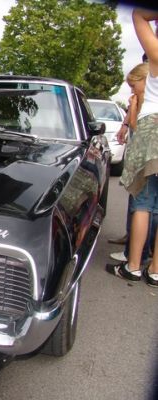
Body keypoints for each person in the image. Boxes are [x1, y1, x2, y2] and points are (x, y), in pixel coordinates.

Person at [107, 8, 158, 288]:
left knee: (143, 202)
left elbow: (138, 14)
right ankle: (156, 271)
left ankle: (133, 266)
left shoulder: (155, 58)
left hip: (153, 131)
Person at [109, 63, 157, 264]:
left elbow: (138, 130)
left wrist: (134, 107)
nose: (132, 91)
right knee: (154, 207)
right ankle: (153, 268)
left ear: (147, 80)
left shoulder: (149, 101)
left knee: (142, 205)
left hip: (148, 161)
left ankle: (134, 261)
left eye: (134, 85)